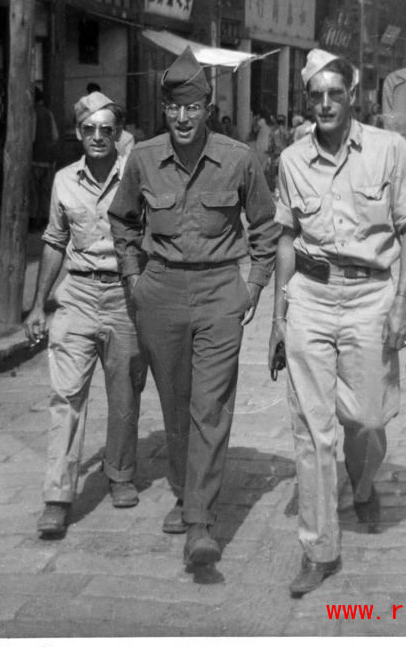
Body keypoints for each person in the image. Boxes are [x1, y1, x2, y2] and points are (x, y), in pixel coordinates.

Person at [108, 46, 278, 566]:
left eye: (193, 107)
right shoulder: (141, 159)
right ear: (166, 111)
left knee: (209, 405)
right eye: (174, 108)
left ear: (208, 108)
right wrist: (134, 278)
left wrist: (252, 287)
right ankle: (187, 493)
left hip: (220, 294)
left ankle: (201, 524)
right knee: (176, 405)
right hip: (158, 293)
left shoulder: (238, 158)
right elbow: (122, 222)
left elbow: (265, 227)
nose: (183, 118)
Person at [268, 48, 406, 597]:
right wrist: (278, 315)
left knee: (368, 416)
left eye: (337, 93)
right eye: (317, 95)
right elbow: (285, 239)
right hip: (310, 293)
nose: (327, 103)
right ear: (307, 100)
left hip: (371, 296)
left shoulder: (389, 150)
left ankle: (362, 482)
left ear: (352, 95)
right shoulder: (290, 160)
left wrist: (403, 301)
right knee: (312, 431)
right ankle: (320, 548)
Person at [25, 91, 146, 538]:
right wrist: (40, 303)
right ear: (78, 133)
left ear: (119, 134)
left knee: (125, 393)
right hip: (76, 295)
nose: (98, 137)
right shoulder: (63, 181)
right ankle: (57, 496)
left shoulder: (136, 176)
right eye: (89, 129)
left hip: (123, 297)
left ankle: (119, 474)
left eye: (106, 129)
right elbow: (55, 241)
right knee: (67, 395)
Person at [29, 88, 59, 232]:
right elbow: (55, 136)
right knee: (45, 191)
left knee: (33, 192)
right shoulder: (48, 113)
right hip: (47, 160)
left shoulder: (32, 113)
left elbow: (31, 138)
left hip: (34, 158)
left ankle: (33, 219)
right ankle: (44, 220)